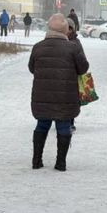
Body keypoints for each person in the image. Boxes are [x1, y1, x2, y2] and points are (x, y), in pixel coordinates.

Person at [29, 14, 89, 171]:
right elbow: (83, 68)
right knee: (63, 125)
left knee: (41, 125)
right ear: (64, 30)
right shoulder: (73, 48)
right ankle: (60, 163)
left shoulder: (38, 47)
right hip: (65, 96)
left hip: (42, 95)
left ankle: (36, 161)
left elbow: (31, 68)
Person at [66, 17, 83, 133]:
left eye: (70, 28)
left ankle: (70, 122)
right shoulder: (58, 41)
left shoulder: (76, 43)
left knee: (71, 101)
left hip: (73, 77)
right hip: (61, 77)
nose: (67, 31)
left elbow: (83, 61)